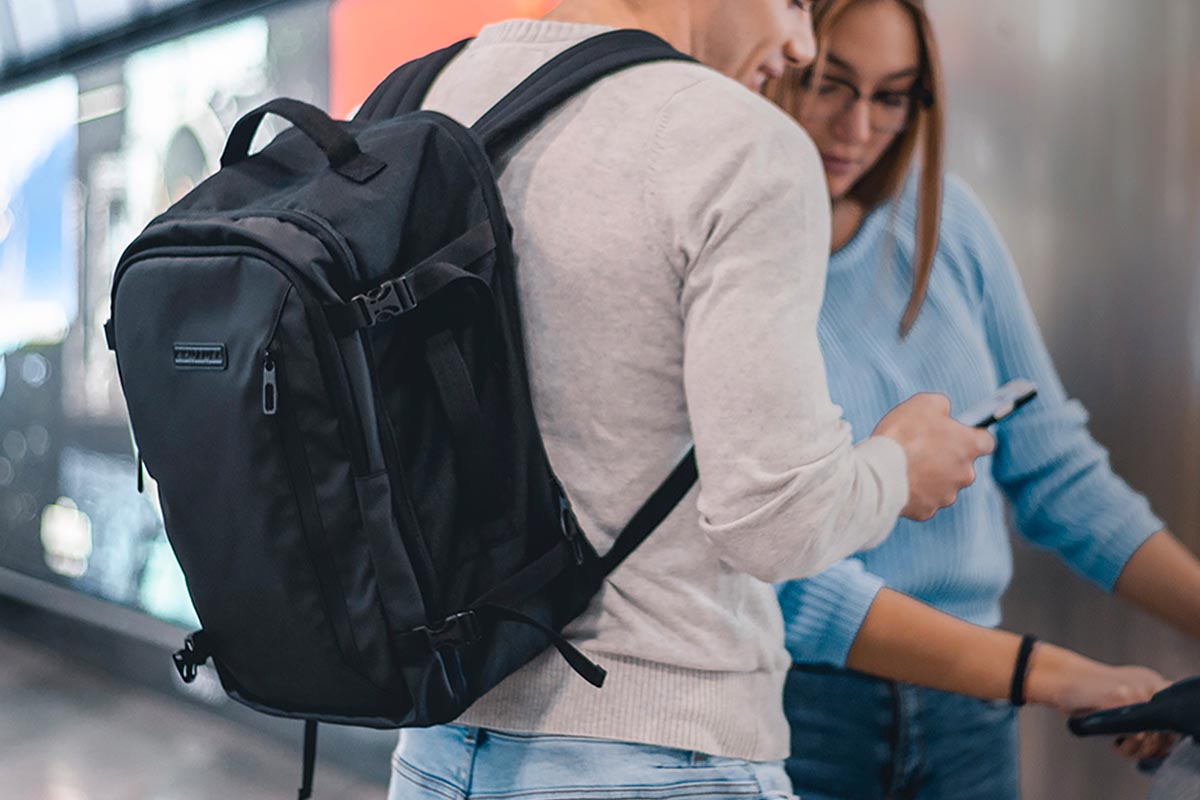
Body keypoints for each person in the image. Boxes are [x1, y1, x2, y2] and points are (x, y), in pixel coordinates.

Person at [386, 1, 995, 798]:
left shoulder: (419, 97)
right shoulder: (737, 140)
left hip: (436, 748)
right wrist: (899, 468)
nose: (799, 44)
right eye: (795, 4)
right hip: (660, 751)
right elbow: (773, 520)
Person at [766, 1, 1200, 797]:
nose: (857, 127)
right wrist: (1055, 674)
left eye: (892, 96)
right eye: (830, 85)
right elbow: (786, 577)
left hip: (972, 717)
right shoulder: (732, 258)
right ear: (778, 59)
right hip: (800, 712)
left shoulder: (946, 227)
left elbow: (1058, 475)